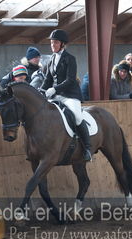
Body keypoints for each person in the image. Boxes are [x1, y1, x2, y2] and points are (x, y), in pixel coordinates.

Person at [40, 29, 91, 161]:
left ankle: (88, 148)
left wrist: (55, 89)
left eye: (55, 42)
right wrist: (41, 91)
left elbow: (70, 80)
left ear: (62, 44)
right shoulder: (51, 59)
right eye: (51, 42)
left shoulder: (70, 59)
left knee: (77, 117)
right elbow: (47, 79)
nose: (53, 45)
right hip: (55, 95)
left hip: (70, 94)